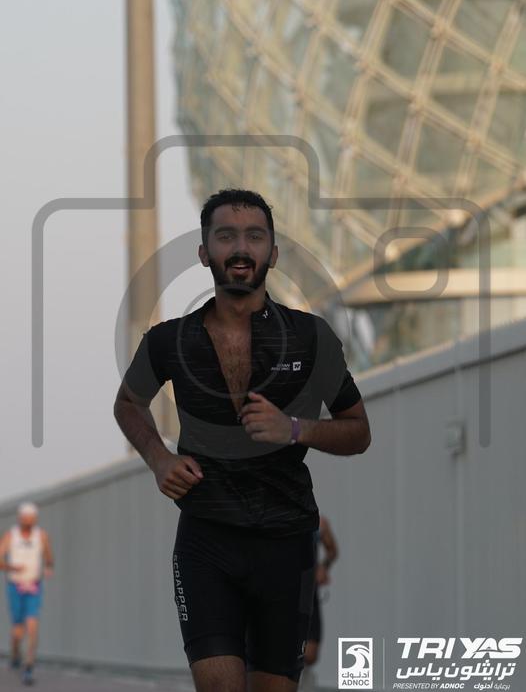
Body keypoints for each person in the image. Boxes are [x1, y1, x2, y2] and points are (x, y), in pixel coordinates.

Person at [114, 188, 371, 692]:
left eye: (255, 237)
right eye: (226, 236)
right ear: (204, 252)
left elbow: (358, 430)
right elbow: (128, 403)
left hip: (287, 541)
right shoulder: (168, 341)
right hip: (207, 539)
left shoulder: (311, 337)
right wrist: (159, 458)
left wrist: (294, 428)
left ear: (272, 253)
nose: (240, 248)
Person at [0, 501, 54, 686]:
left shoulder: (41, 536)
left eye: (32, 519)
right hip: (15, 586)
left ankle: (29, 666)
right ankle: (15, 653)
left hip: (34, 586)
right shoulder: (11, 536)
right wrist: (11, 567)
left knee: (32, 625)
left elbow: (48, 556)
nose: (29, 522)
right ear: (20, 519)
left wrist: (48, 567)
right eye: (26, 519)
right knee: (18, 630)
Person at [300, 515, 339, 691]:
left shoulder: (318, 523)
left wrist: (324, 567)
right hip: (279, 590)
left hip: (307, 593)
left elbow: (332, 550)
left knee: (310, 653)